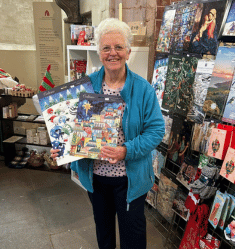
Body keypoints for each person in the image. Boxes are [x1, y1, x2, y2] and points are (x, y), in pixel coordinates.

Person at [51, 18, 165, 248]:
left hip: (129, 178)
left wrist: (126, 150)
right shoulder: (84, 86)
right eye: (106, 48)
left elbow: (156, 130)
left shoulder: (143, 89)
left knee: (132, 237)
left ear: (128, 52)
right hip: (97, 177)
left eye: (118, 47)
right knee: (104, 234)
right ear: (99, 52)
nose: (112, 53)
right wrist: (62, 147)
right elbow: (70, 127)